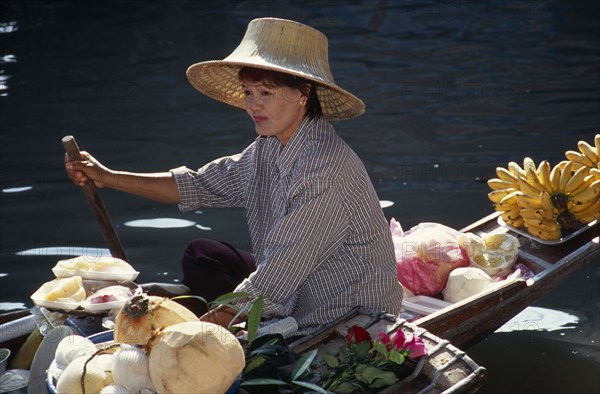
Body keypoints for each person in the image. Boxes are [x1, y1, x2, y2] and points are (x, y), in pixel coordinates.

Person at [65, 17, 403, 337]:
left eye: (265, 94)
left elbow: (272, 282)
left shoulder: (325, 172)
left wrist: (188, 331)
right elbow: (196, 185)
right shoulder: (267, 148)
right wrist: (108, 178)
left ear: (303, 94)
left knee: (240, 306)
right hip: (297, 285)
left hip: (344, 313)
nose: (253, 106)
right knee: (201, 254)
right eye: (248, 92)